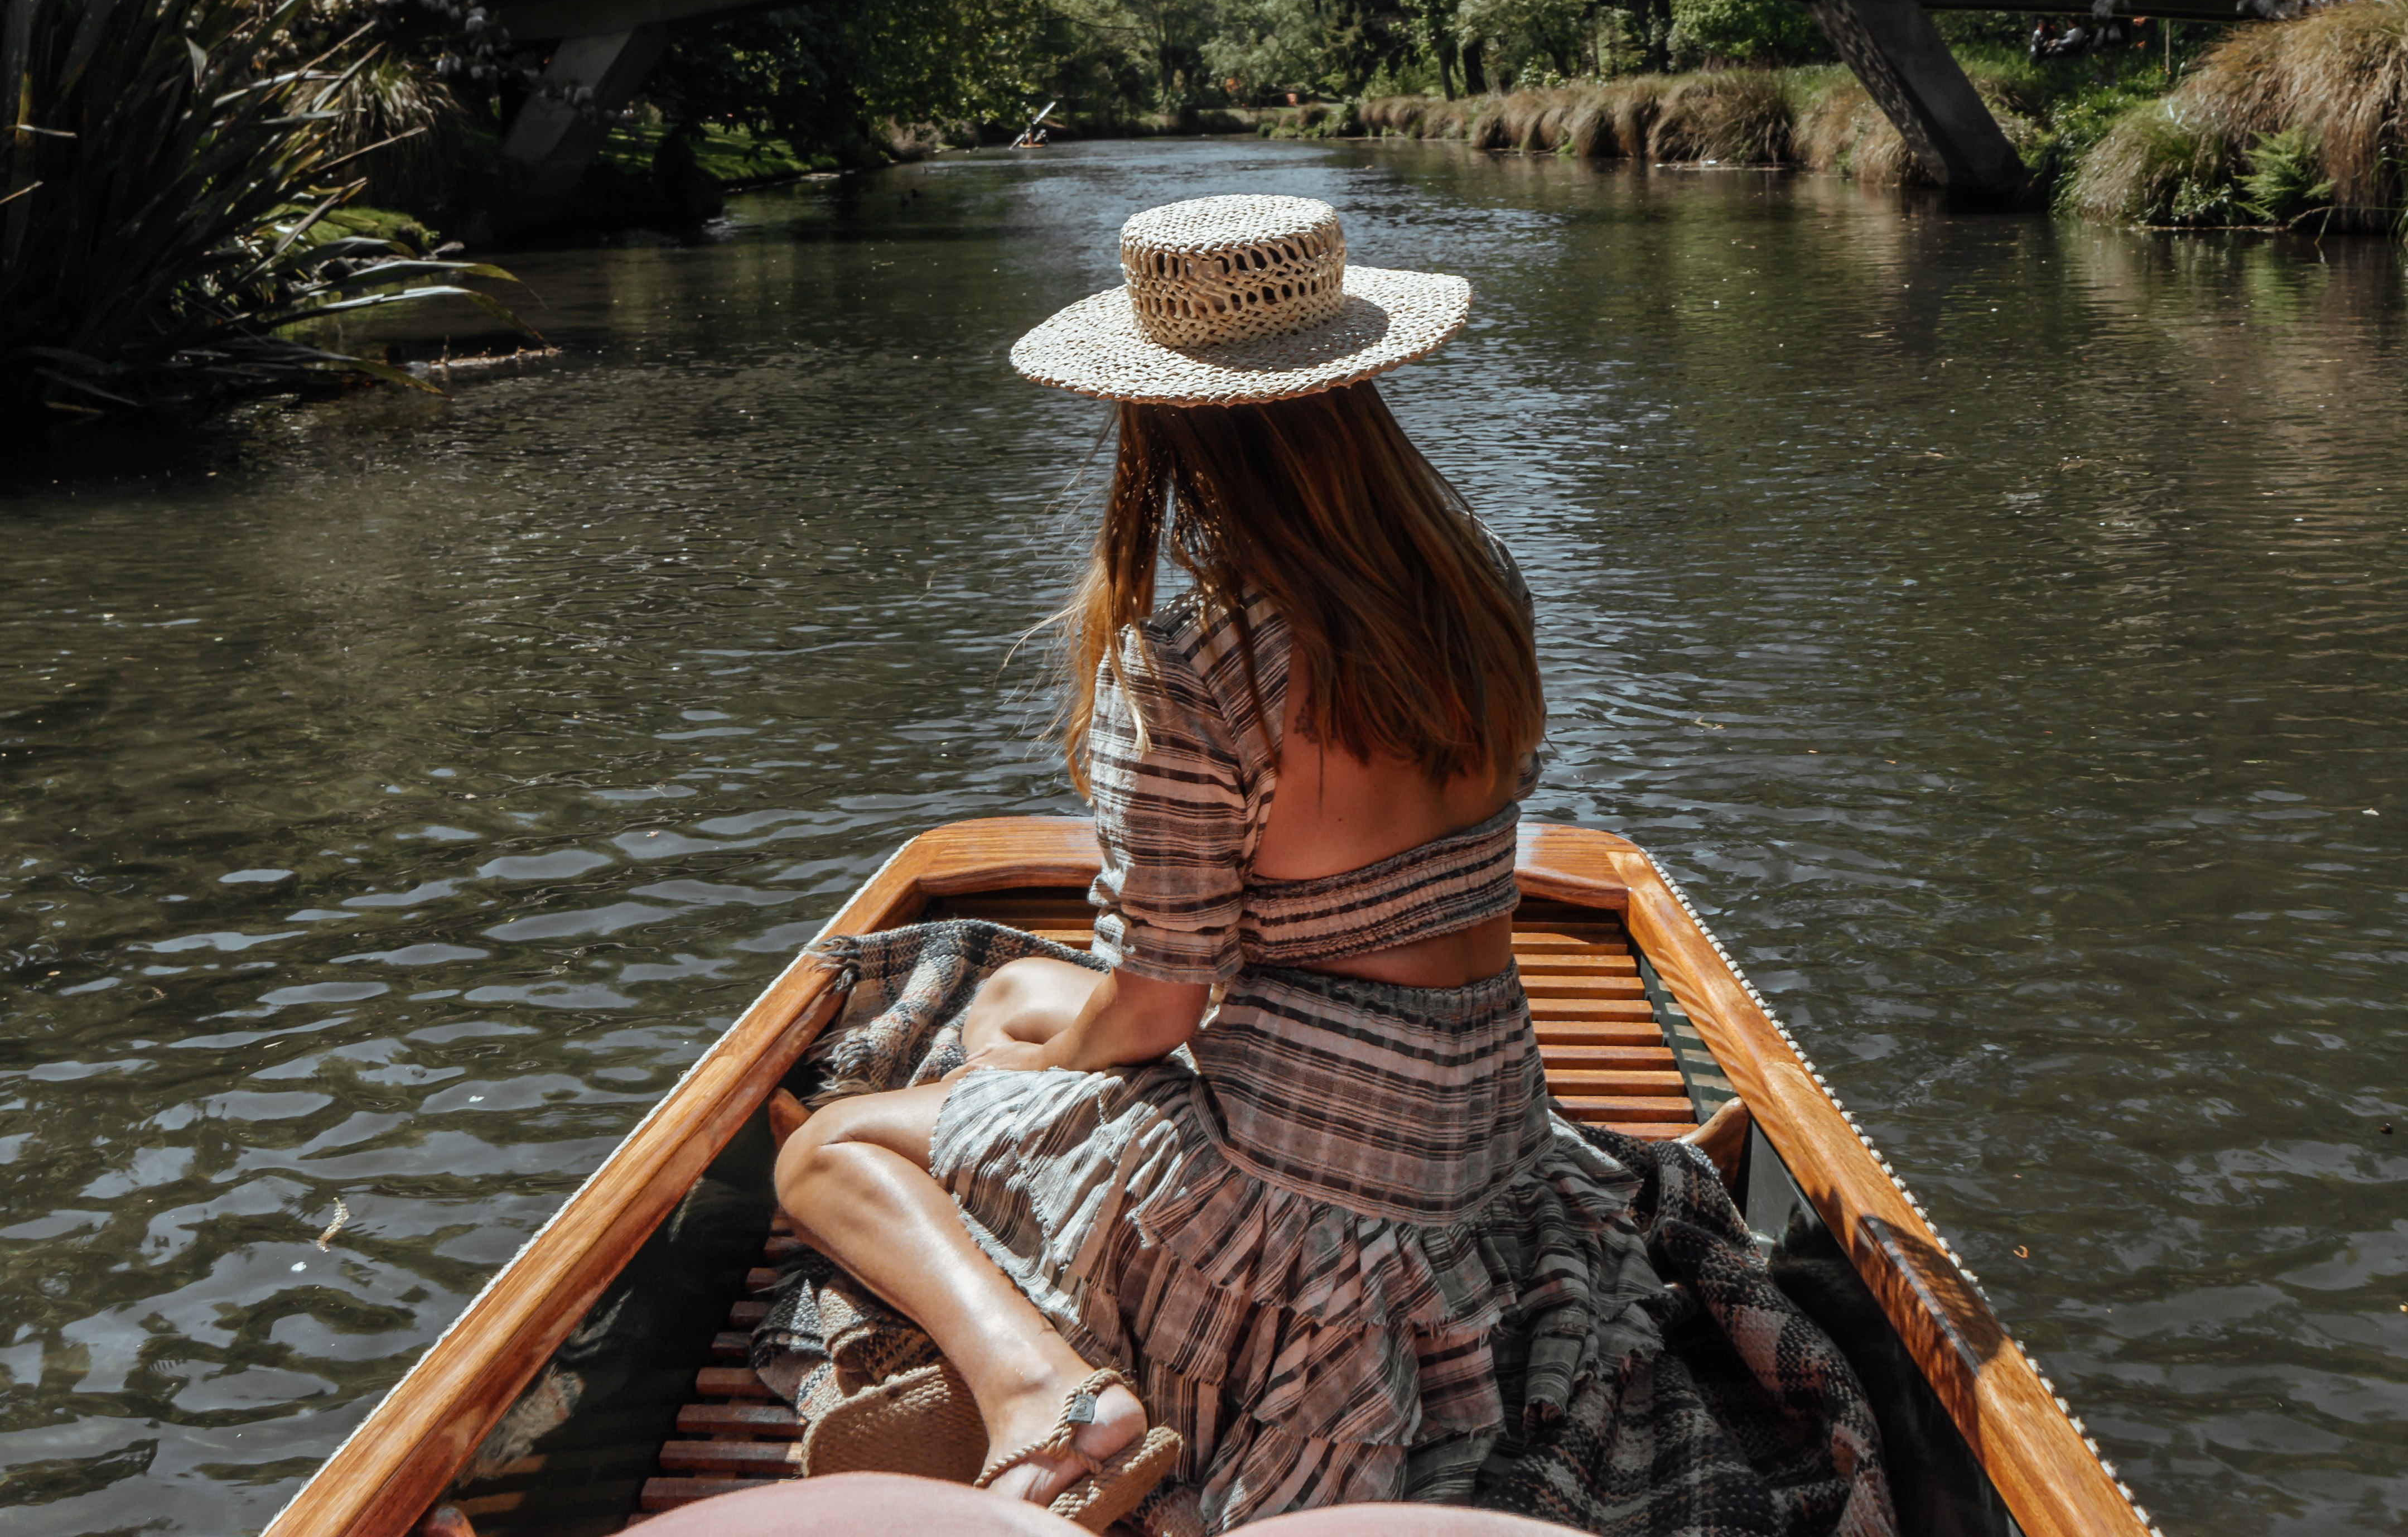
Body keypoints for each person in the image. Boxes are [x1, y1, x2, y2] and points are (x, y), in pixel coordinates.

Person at [761, 195, 1889, 1536]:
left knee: (830, 1149)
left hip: (1307, 1205)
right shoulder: (1482, 594)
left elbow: (1162, 1002)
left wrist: (1031, 1082)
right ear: (1356, 381)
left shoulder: (1187, 665)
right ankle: (1038, 1231)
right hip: (1488, 1145)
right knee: (1017, 1012)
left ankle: (1044, 1396)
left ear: (1157, 420)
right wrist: (1046, 1054)